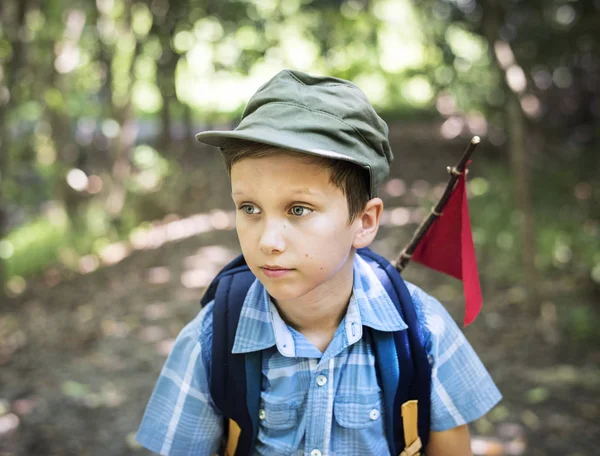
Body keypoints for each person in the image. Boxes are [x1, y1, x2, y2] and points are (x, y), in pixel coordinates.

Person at [136, 69, 502, 456]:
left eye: (298, 209)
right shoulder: (211, 341)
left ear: (363, 222)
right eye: (249, 208)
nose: (268, 241)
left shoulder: (424, 332)